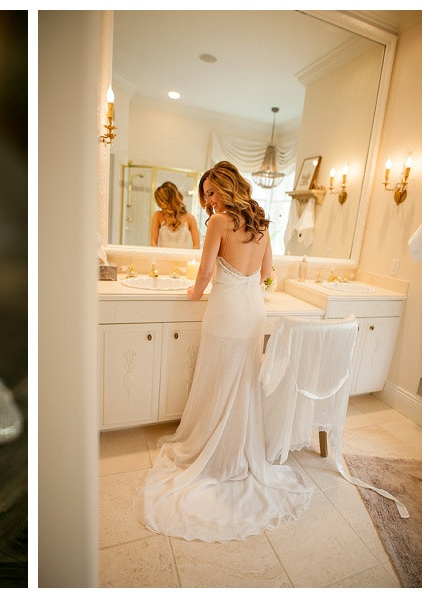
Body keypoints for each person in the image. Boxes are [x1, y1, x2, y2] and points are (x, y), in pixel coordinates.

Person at [133, 161, 313, 542]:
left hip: (226, 310)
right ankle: (238, 451)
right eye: (206, 193)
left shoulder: (218, 222)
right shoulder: (261, 223)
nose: (208, 200)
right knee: (243, 381)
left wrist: (194, 295)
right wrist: (250, 288)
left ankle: (214, 452)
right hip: (252, 312)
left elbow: (203, 273)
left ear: (229, 187)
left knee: (218, 379)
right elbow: (267, 273)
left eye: (213, 192)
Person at [149, 181, 200, 248]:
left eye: (163, 202)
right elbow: (153, 243)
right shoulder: (158, 216)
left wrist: (189, 257)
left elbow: (196, 245)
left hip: (183, 258)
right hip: (162, 257)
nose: (161, 206)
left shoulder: (190, 218)